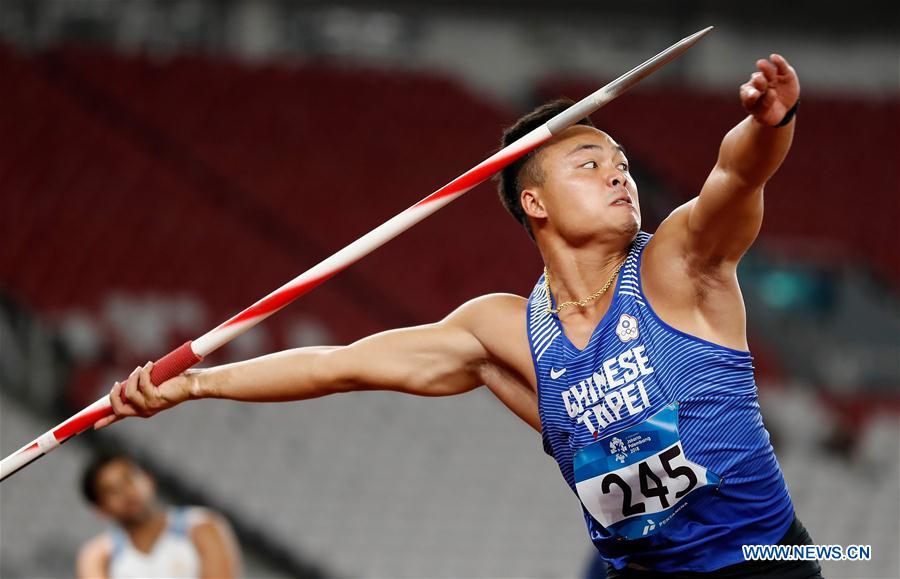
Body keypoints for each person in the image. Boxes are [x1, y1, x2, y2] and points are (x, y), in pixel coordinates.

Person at [96, 54, 821, 577]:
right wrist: (191, 385)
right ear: (534, 202)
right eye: (589, 164)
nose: (619, 176)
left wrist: (771, 118)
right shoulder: (502, 331)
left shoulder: (674, 268)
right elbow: (335, 364)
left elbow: (738, 174)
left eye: (622, 163)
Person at [76, 452, 241, 578]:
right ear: (101, 509)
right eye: (111, 491)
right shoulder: (98, 557)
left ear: (148, 480)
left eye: (129, 478)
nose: (126, 492)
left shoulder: (202, 526)